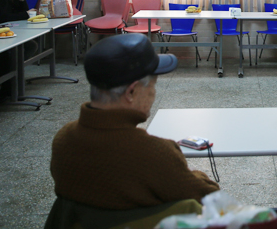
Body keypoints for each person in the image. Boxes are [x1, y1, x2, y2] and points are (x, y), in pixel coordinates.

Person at [50, 33, 219, 211]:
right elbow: (211, 196)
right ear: (132, 92)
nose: (154, 93)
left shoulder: (63, 141)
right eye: (153, 85)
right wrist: (192, 172)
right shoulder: (155, 154)